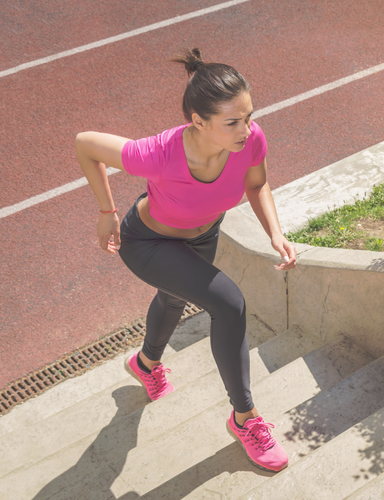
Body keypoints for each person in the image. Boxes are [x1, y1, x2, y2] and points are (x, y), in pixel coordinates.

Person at [75, 48, 295, 473]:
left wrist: (275, 232)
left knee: (174, 299)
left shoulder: (251, 139)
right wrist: (107, 211)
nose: (246, 129)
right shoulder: (159, 152)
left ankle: (145, 364)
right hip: (149, 242)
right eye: (232, 122)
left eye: (248, 116)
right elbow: (86, 144)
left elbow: (258, 184)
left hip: (202, 234)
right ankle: (245, 419)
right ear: (198, 121)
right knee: (229, 303)